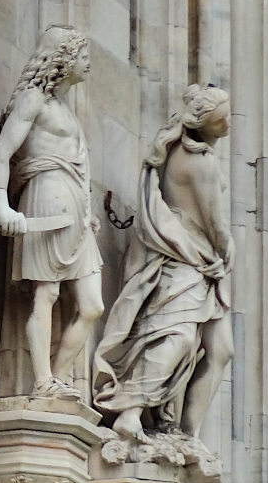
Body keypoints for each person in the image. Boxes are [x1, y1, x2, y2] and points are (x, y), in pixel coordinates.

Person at [93, 85, 233, 445]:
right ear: (205, 122)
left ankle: (187, 434)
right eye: (223, 118)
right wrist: (226, 251)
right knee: (177, 335)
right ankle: (130, 411)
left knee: (220, 349)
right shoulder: (199, 162)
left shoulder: (183, 153)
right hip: (185, 254)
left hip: (198, 261)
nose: (230, 123)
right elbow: (214, 222)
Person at [0, 25, 103, 400]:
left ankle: (60, 375)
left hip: (75, 211)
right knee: (47, 293)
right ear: (64, 59)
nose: (88, 64)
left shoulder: (65, 109)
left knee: (91, 306)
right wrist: (2, 204)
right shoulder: (32, 100)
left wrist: (87, 211)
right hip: (46, 197)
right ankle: (42, 381)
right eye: (83, 56)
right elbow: (1, 154)